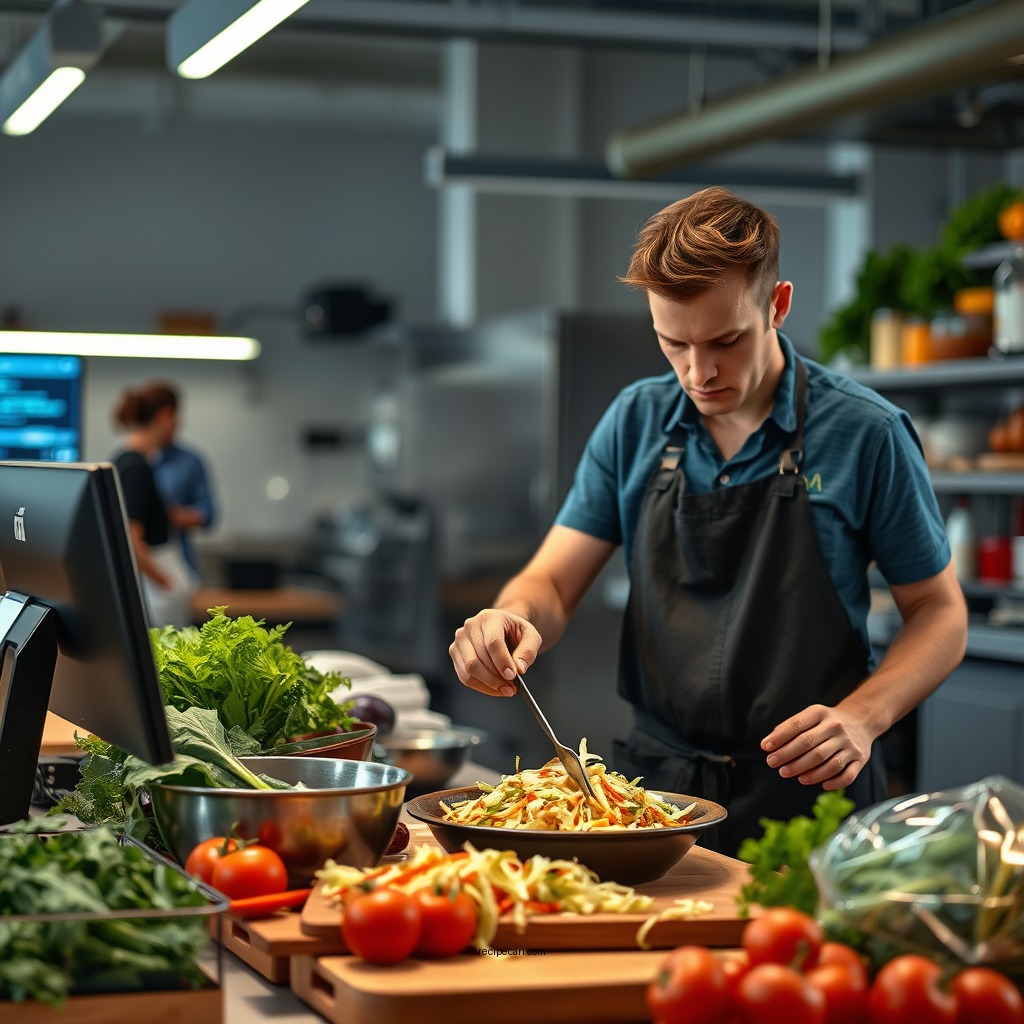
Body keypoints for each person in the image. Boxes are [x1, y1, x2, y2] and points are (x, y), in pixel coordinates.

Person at [448, 186, 968, 856]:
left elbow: (939, 612)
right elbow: (549, 583)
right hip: (656, 800)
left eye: (726, 341)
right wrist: (511, 617)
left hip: (810, 795)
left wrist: (863, 718)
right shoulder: (634, 421)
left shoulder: (866, 433)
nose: (700, 372)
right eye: (674, 344)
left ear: (777, 305)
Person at [112, 383, 197, 629]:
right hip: (156, 590)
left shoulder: (124, 462)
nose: (178, 425)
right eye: (177, 417)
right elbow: (131, 538)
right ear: (165, 416)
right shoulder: (136, 468)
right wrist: (165, 582)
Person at [147, 381, 217, 578]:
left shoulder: (190, 461)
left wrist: (167, 516)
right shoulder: (133, 461)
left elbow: (209, 514)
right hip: (142, 567)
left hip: (178, 565)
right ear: (165, 416)